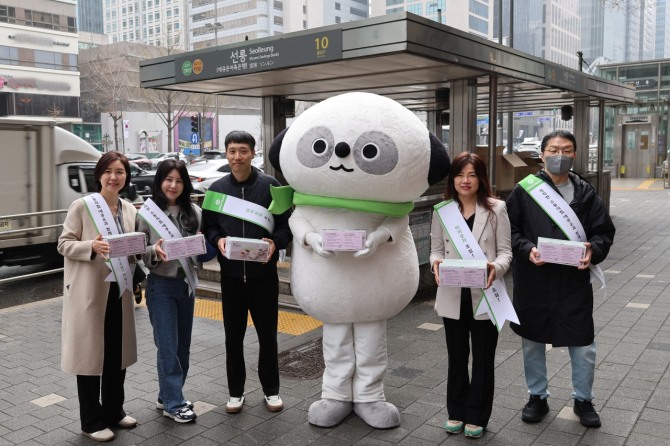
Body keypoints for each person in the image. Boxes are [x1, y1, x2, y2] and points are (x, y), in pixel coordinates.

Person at [506, 130, 615, 428]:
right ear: (542, 154)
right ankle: (537, 396)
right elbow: (510, 231)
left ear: (575, 154)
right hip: (534, 280)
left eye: (566, 150)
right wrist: (527, 249)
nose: (560, 156)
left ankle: (583, 399)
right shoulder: (524, 191)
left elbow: (603, 232)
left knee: (583, 342)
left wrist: (593, 252)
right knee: (532, 341)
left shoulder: (585, 192)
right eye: (553, 150)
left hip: (572, 282)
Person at [202, 130, 292, 414]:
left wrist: (275, 243)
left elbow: (286, 226)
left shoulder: (270, 185)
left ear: (254, 153)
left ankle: (271, 390)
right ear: (226, 154)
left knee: (268, 336)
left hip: (263, 277)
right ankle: (235, 392)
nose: (237, 156)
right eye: (232, 151)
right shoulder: (216, 190)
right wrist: (218, 241)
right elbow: (210, 227)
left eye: (243, 150)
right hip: (230, 278)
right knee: (233, 337)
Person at [430, 152, 512, 439]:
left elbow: (505, 253)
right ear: (453, 178)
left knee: (483, 358)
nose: (465, 180)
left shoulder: (496, 209)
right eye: (460, 174)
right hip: (452, 294)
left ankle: (477, 414)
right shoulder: (442, 211)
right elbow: (436, 250)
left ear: (481, 178)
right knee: (456, 356)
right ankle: (456, 411)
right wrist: (435, 263)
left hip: (485, 294)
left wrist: (495, 268)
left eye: (472, 175)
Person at [58, 151, 139, 442]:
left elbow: (135, 247)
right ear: (99, 175)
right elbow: (64, 244)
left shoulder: (130, 210)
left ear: (126, 177)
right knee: (91, 356)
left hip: (120, 290)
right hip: (90, 293)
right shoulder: (82, 206)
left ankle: (114, 411)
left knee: (117, 354)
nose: (114, 177)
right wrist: (91, 245)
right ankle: (91, 421)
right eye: (108, 171)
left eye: (120, 172)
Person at [136, 159, 202, 423]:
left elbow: (199, 250)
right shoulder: (146, 214)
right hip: (160, 286)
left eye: (179, 180)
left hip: (186, 286)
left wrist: (201, 248)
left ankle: (167, 394)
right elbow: (138, 251)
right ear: (159, 181)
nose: (173, 185)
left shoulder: (194, 212)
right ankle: (174, 403)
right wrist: (155, 252)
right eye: (168, 179)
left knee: (182, 346)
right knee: (167, 346)